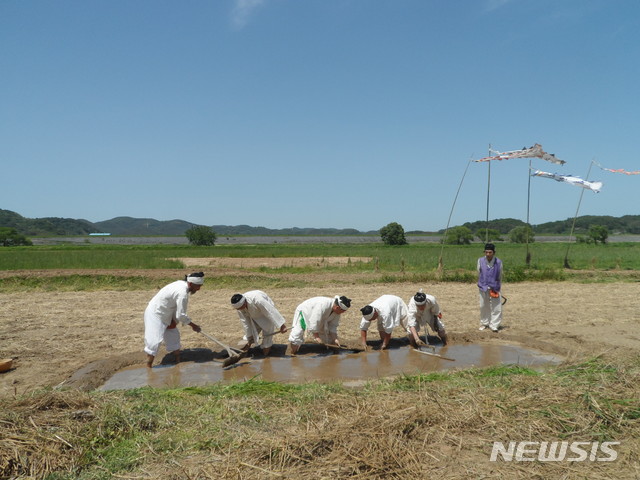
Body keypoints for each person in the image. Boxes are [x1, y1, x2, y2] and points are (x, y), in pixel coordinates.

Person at [143, 272, 204, 368]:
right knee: (154, 342)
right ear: (191, 284)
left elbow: (175, 306)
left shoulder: (182, 285)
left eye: (200, 286)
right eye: (197, 286)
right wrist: (193, 325)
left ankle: (178, 362)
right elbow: (181, 315)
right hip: (156, 313)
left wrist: (173, 320)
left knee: (174, 336)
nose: (199, 289)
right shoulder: (182, 293)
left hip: (168, 312)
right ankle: (148, 367)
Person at [231, 290, 287, 356]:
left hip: (266, 315)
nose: (240, 309)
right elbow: (245, 321)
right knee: (247, 338)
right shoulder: (239, 307)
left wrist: (281, 325)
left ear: (244, 303)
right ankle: (242, 354)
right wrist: (249, 335)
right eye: (239, 309)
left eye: (241, 308)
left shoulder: (258, 299)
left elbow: (270, 311)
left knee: (267, 337)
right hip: (253, 316)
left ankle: (265, 355)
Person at [477, 243, 503, 332]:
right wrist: (481, 283)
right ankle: (485, 323)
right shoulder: (480, 261)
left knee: (496, 307)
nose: (488, 254)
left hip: (494, 287)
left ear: (494, 252)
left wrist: (497, 286)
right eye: (486, 252)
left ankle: (494, 325)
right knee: (483, 306)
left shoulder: (498, 262)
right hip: (483, 286)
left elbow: (500, 276)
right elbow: (479, 273)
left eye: (490, 252)